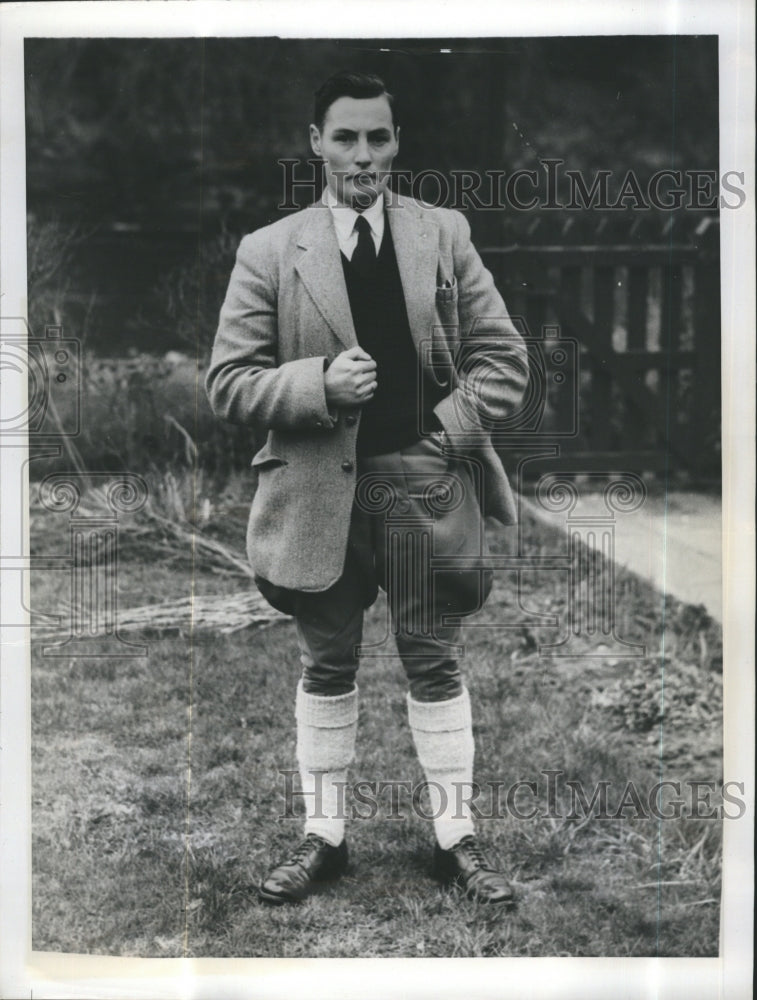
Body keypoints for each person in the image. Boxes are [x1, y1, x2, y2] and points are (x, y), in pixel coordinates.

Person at [205, 71, 529, 906]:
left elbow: (504, 360)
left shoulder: (442, 233)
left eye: (377, 138)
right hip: (317, 489)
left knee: (435, 659)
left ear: (395, 144)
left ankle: (455, 840)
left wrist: (444, 435)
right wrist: (316, 385)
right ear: (315, 143)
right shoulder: (270, 250)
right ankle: (325, 837)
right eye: (344, 137)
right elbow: (229, 383)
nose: (362, 156)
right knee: (326, 663)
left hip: (424, 481)